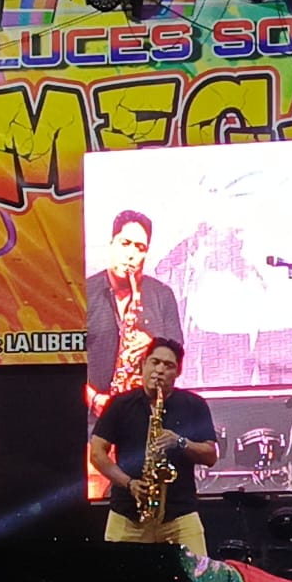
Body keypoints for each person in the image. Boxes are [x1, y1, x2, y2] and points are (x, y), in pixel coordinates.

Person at [85, 210, 184, 497]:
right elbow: (67, 360)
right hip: (94, 420)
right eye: (125, 243)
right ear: (111, 244)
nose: (131, 254)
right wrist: (95, 399)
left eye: (139, 247)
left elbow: (177, 357)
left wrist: (152, 346)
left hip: (144, 419)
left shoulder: (161, 295)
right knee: (94, 497)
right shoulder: (84, 292)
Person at [90, 338, 219, 556]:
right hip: (127, 516)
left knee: (197, 574)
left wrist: (180, 442)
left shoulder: (194, 404)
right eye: (155, 362)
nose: (159, 370)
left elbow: (210, 456)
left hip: (180, 516)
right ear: (143, 365)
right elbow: (97, 453)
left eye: (168, 366)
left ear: (178, 373)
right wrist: (129, 483)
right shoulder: (120, 404)